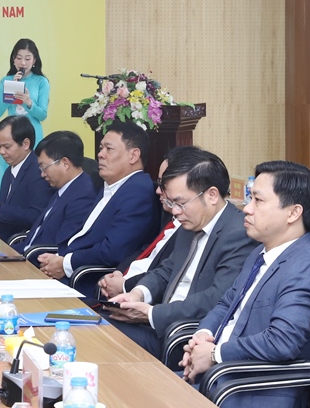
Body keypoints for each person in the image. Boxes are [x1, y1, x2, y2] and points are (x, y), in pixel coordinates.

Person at [180, 161, 310, 408]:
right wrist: (202, 337)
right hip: (218, 380)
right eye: (250, 198)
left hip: (253, 395)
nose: (247, 208)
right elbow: (226, 304)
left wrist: (214, 355)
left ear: (293, 212)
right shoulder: (260, 252)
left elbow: (282, 341)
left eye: (258, 200)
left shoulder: (305, 264)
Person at [106, 149, 258, 357]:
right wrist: (138, 294)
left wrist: (151, 314)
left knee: (104, 336)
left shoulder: (239, 233)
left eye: (180, 203)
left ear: (212, 195)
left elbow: (216, 298)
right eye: (171, 203)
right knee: (97, 325)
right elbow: (167, 270)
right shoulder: (190, 222)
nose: (175, 211)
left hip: (185, 339)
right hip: (161, 324)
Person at [36, 121, 161, 292]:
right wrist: (58, 259)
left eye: (109, 149)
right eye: (101, 148)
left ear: (133, 156)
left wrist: (65, 263)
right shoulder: (112, 186)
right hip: (69, 269)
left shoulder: (138, 192)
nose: (100, 154)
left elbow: (112, 251)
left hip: (88, 282)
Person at [98, 146, 204, 299]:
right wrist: (119, 273)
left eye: (164, 184)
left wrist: (125, 286)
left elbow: (165, 273)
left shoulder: (191, 226)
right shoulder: (170, 215)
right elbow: (147, 250)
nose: (158, 191)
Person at [0, 116, 54, 244]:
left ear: (25, 144)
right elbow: (8, 213)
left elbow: (37, 217)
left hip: (21, 244)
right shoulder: (9, 171)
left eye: (6, 146)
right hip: (2, 241)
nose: (1, 152)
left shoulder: (39, 171)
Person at [17, 131, 97, 254]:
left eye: (44, 167)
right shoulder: (64, 188)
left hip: (39, 261)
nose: (42, 174)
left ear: (65, 163)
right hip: (28, 254)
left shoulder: (83, 196)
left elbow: (62, 248)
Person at [0, 39, 49, 190]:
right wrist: (11, 88)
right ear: (13, 59)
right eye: (19, 58)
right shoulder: (6, 81)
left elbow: (42, 115)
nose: (23, 63)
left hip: (33, 135)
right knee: (6, 174)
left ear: (34, 60)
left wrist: (28, 102)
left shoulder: (41, 82)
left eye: (27, 58)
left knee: (34, 175)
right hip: (11, 136)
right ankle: (3, 204)